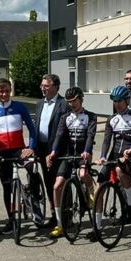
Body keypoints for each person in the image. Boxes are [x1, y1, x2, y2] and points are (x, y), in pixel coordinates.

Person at [0, 78, 39, 235]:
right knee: (7, 187)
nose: (4, 94)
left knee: (32, 169)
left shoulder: (19, 107)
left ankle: (35, 201)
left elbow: (32, 128)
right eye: (1, 91)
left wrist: (31, 147)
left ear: (10, 91)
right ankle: (11, 220)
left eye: (7, 90)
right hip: (3, 152)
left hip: (19, 150)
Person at [45, 86, 97, 238]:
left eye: (74, 101)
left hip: (83, 154)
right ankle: (60, 225)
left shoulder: (90, 116)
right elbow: (59, 135)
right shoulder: (65, 117)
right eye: (69, 102)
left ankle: (91, 191)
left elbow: (90, 135)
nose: (72, 104)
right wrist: (53, 151)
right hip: (68, 155)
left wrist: (87, 150)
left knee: (82, 174)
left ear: (81, 99)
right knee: (57, 186)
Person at [96, 85, 131, 226]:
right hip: (114, 156)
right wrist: (103, 156)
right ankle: (97, 225)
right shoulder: (111, 119)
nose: (117, 104)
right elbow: (106, 140)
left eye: (120, 101)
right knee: (100, 185)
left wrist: (130, 151)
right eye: (114, 101)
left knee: (120, 170)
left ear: (127, 101)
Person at [35, 74, 69, 229]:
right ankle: (55, 215)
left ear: (56, 87)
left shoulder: (64, 104)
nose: (43, 88)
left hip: (59, 150)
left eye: (46, 86)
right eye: (42, 85)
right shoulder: (39, 103)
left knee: (61, 182)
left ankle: (66, 216)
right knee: (49, 183)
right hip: (42, 149)